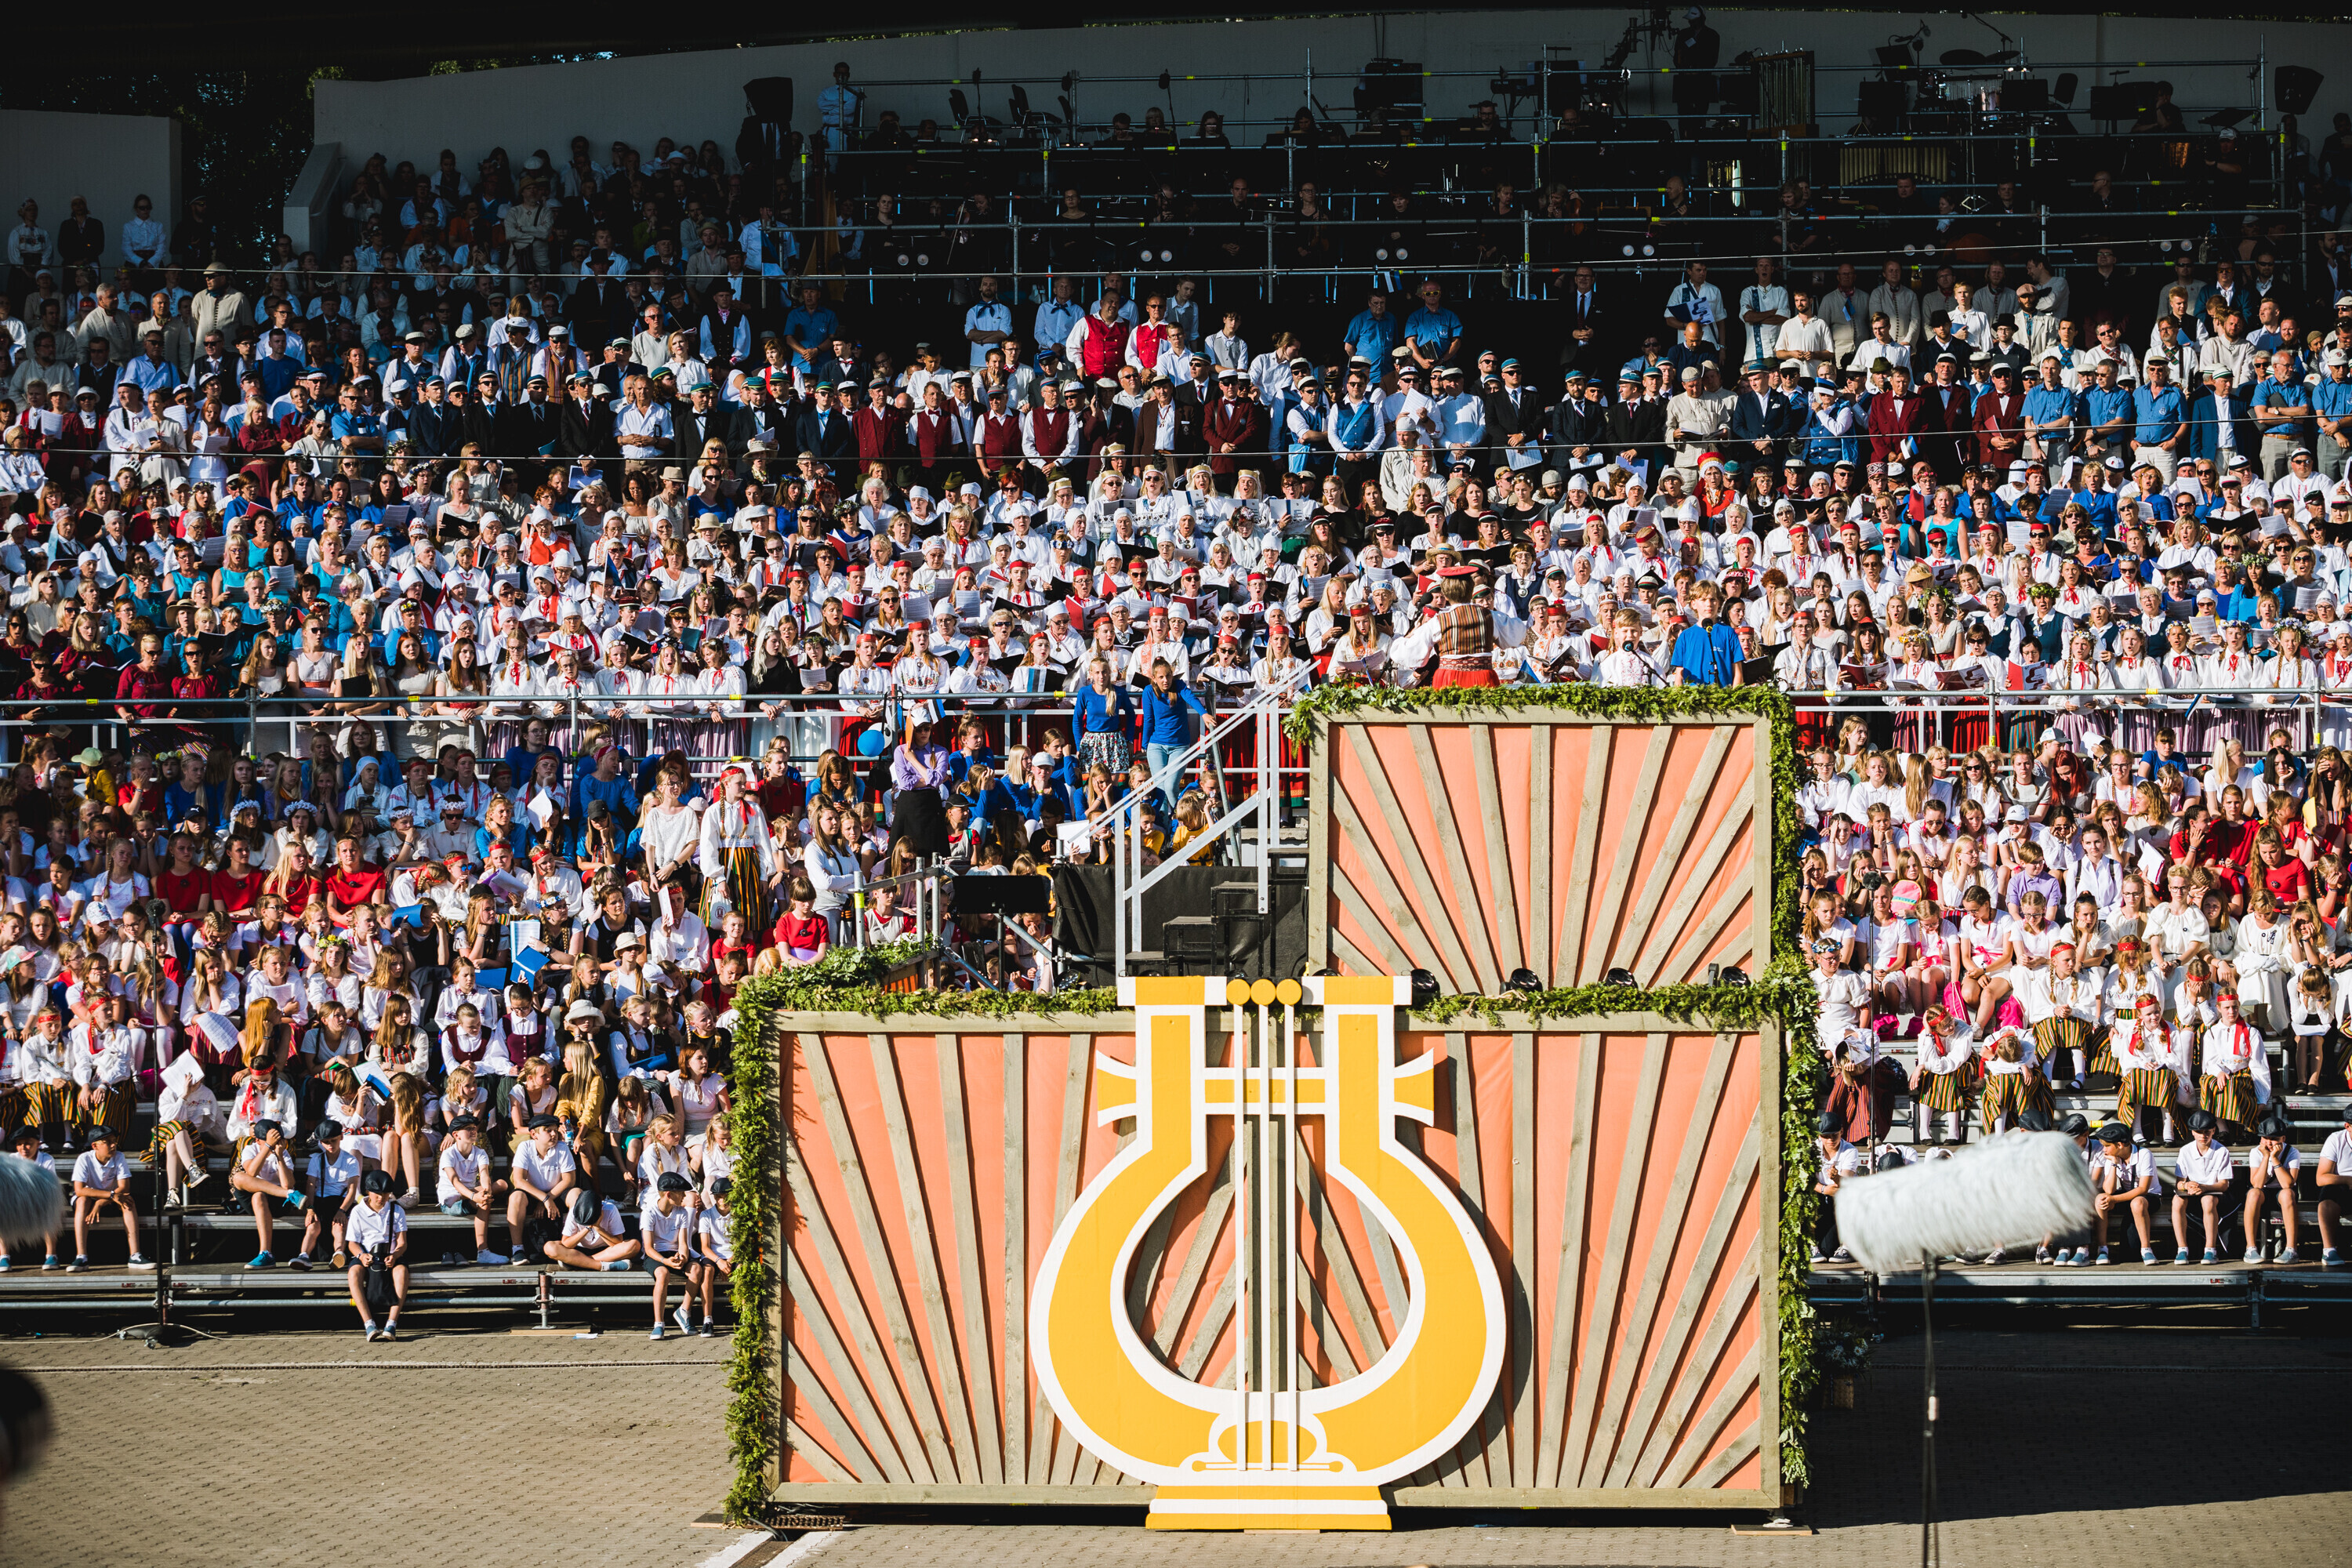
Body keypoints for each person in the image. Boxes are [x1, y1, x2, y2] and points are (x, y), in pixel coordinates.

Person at [69, 1124, 151, 1272]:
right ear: (95, 1146)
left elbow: (124, 1187)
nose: (113, 1145)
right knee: (82, 1200)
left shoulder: (119, 1156)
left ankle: (135, 1255)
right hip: (93, 1198)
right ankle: (81, 1257)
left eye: (114, 1141)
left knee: (128, 1200)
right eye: (107, 1142)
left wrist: (100, 1204)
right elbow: (80, 1190)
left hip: (110, 1199)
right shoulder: (84, 1158)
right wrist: (110, 1195)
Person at [346, 1168, 410, 1341]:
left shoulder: (397, 1210)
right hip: (366, 1255)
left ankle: (392, 1323)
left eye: (386, 1194)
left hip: (390, 1255)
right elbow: (352, 1243)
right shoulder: (357, 1211)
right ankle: (369, 1324)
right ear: (368, 1192)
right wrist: (361, 1256)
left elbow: (402, 1243)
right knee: (354, 1273)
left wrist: (395, 1256)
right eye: (378, 1194)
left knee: (402, 1272)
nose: (382, 1198)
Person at [437, 1114, 510, 1266]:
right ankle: (483, 1251)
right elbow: (455, 1181)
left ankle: (483, 1253)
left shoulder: (480, 1152)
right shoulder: (448, 1154)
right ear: (456, 1135)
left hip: (470, 1195)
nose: (473, 1131)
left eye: (474, 1128)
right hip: (451, 1201)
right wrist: (474, 1196)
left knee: (501, 1185)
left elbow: (484, 1174)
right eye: (468, 1129)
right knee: (484, 1201)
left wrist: (486, 1191)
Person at [292, 1118, 359, 1271]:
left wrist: (342, 1210)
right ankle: (304, 1256)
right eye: (326, 1142)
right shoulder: (317, 1159)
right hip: (320, 1200)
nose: (330, 1145)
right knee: (312, 1226)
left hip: (341, 1202)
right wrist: (310, 1209)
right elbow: (310, 1186)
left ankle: (339, 1253)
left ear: (341, 1137)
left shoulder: (350, 1161)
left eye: (333, 1141)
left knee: (339, 1226)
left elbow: (352, 1190)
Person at [2169, 1109, 2233, 1265]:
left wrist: (2204, 1188)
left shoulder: (2222, 1151)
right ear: (2192, 1132)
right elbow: (2179, 1183)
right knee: (2177, 1201)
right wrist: (2187, 1185)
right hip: (2193, 1193)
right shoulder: (2185, 1151)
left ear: (2214, 1131)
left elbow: (2224, 1185)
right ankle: (2182, 1249)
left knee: (2208, 1201)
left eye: (2207, 1132)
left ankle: (2210, 1250)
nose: (2203, 1136)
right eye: (2199, 1132)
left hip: (2214, 1193)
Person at [2090, 1122, 2159, 1265]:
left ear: (2120, 1145)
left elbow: (2143, 1189)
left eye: (2107, 1146)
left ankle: (2146, 1249)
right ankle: (2103, 1249)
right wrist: (2114, 1165)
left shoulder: (2144, 1154)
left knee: (2137, 1203)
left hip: (2149, 1198)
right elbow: (2109, 1190)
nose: (2104, 1149)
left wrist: (2114, 1199)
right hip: (2127, 1197)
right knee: (2100, 1198)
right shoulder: (2112, 1156)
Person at [644, 1171, 699, 1339]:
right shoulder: (649, 1213)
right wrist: (665, 1261)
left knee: (696, 1269)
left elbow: (683, 1243)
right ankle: (659, 1323)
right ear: (669, 1195)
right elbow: (648, 1248)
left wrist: (682, 1257)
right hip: (656, 1256)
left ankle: (684, 1311)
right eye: (681, 1193)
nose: (684, 1197)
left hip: (674, 1254)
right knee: (662, 1274)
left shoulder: (682, 1212)